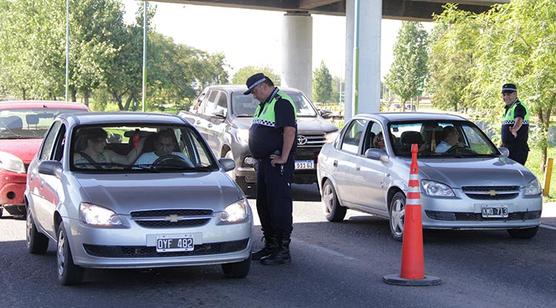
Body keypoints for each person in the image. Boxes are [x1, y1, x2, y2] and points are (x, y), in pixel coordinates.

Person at [246, 73, 297, 265]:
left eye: (254, 91)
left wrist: (283, 157)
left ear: (263, 86)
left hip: (277, 164)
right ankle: (270, 245)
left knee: (279, 206)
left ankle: (282, 250)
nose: (253, 95)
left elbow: (289, 131)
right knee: (264, 205)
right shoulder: (264, 105)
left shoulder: (281, 102)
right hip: (265, 163)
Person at [74, 127, 143, 167]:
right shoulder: (75, 158)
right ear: (90, 142)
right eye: (101, 141)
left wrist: (143, 140)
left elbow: (127, 160)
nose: (105, 144)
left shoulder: (107, 154)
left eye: (105, 141)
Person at [500, 83, 529, 165]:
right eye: (504, 95)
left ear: (515, 94)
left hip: (517, 150)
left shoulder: (518, 106)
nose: (506, 97)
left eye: (509, 94)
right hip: (508, 149)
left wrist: (514, 129)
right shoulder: (509, 108)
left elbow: (519, 118)